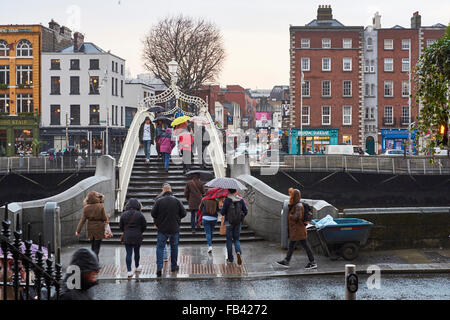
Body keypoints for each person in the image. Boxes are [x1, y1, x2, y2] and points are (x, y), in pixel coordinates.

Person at [151, 183, 186, 277]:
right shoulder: (177, 200)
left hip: (162, 229)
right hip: (174, 228)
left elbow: (153, 214)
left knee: (160, 247)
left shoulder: (159, 201)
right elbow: (184, 213)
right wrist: (177, 219)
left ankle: (159, 267)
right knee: (174, 247)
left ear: (163, 190)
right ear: (171, 190)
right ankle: (174, 266)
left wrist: (159, 220)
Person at [276, 188, 317, 269]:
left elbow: (297, 216)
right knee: (293, 246)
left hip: (298, 230)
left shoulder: (298, 205)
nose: (291, 197)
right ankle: (286, 261)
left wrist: (290, 215)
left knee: (305, 246)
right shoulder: (296, 204)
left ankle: (312, 262)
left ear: (295, 196)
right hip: (297, 230)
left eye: (292, 195)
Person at [119, 198, 147, 278]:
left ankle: (129, 271)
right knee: (137, 252)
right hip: (137, 236)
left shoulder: (124, 214)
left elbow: (121, 226)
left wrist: (126, 231)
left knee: (128, 253)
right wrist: (140, 231)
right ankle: (137, 266)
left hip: (127, 236)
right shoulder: (140, 214)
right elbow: (144, 226)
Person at [75, 191, 108, 259]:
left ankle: (93, 261)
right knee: (97, 247)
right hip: (99, 228)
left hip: (90, 228)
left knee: (92, 246)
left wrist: (78, 230)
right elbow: (104, 218)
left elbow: (82, 220)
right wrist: (107, 216)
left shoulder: (86, 208)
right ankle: (95, 262)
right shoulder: (100, 206)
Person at [221, 189, 248, 265]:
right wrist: (240, 216)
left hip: (228, 222)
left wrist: (224, 207)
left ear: (229, 191)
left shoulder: (227, 200)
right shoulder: (240, 199)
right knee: (236, 239)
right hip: (238, 222)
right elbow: (246, 211)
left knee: (229, 240)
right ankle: (238, 253)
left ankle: (230, 258)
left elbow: (222, 212)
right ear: (235, 191)